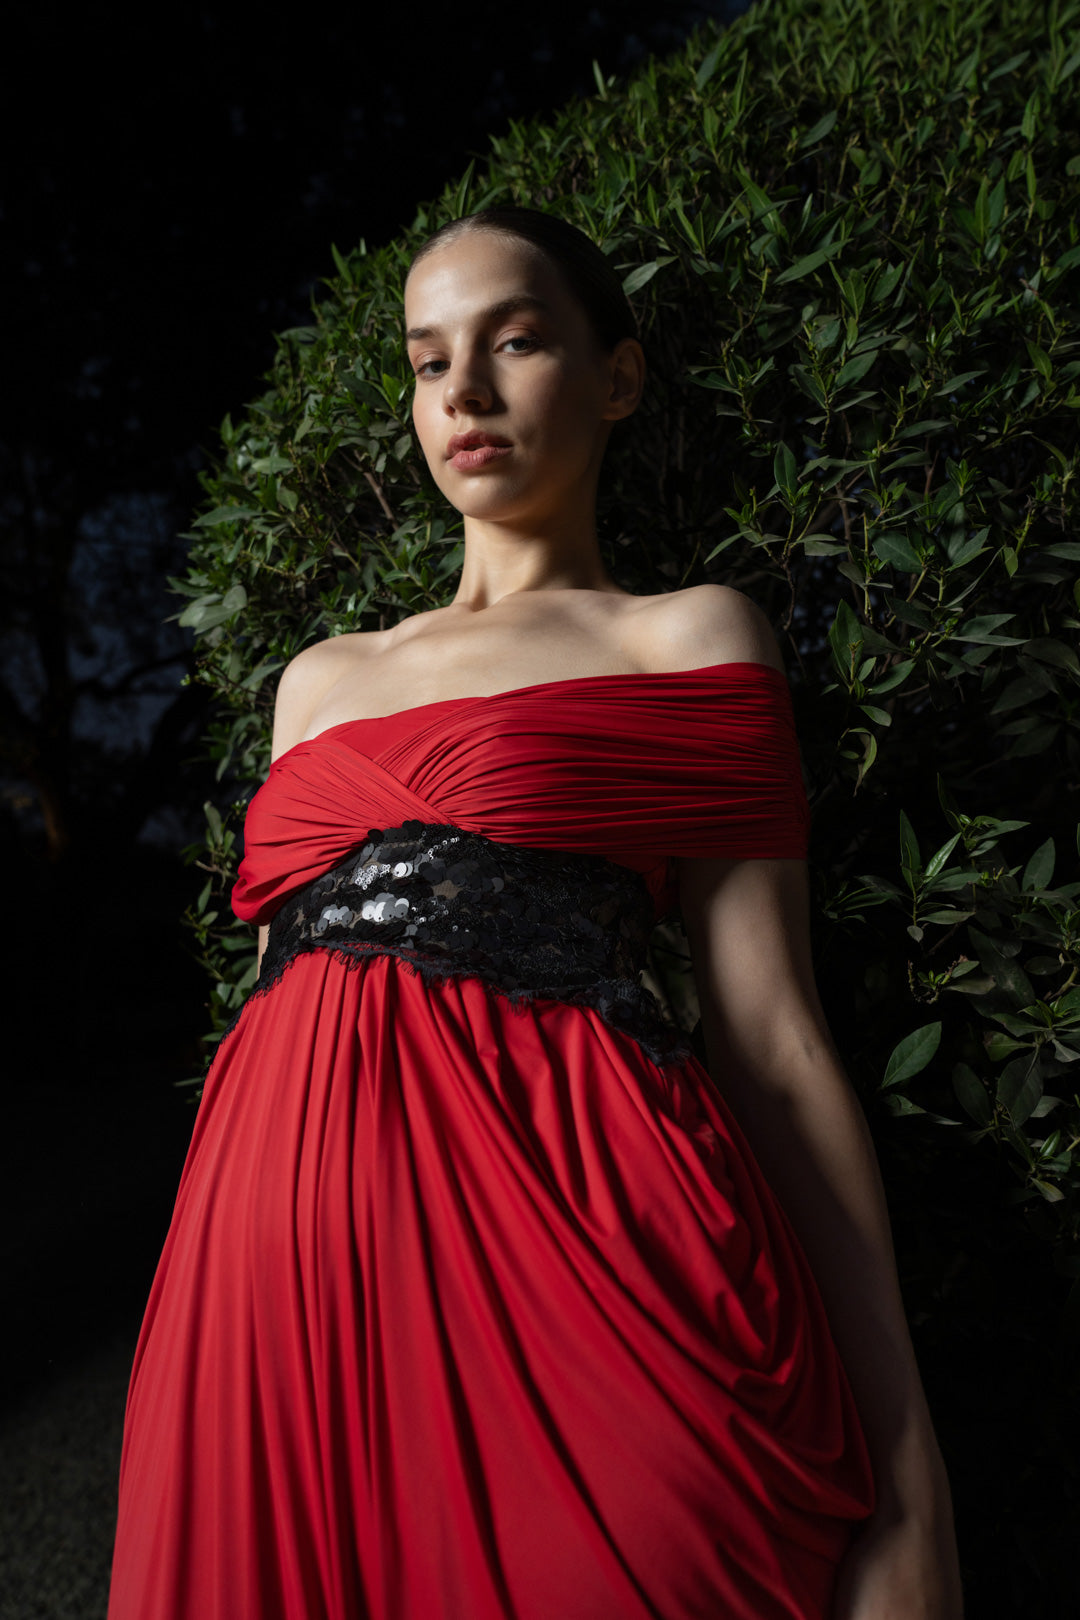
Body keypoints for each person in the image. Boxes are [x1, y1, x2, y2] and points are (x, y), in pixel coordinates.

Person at [108, 206, 963, 1619]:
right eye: (429, 358)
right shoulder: (317, 680)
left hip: (575, 1255)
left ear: (616, 376)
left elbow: (773, 1039)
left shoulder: (683, 635)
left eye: (513, 340)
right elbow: (261, 1019)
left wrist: (909, 1460)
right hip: (264, 1292)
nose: (467, 393)